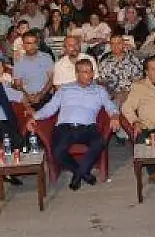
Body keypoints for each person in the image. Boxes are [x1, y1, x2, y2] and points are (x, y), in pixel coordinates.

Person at [29, 59, 122, 190]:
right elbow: (50, 108)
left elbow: (111, 107)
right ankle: (83, 173)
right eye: (85, 72)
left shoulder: (99, 90)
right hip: (65, 127)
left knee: (99, 143)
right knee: (57, 151)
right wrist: (34, 117)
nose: (89, 75)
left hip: (88, 128)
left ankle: (78, 175)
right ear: (77, 74)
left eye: (91, 71)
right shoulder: (65, 89)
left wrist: (115, 117)